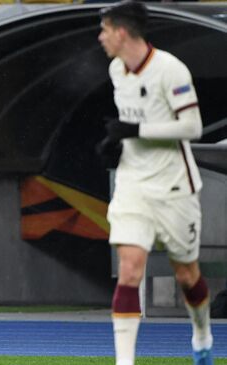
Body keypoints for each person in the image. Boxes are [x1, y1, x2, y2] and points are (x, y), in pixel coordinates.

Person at [97, 2, 213, 365]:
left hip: (174, 186)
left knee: (186, 274)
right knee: (130, 268)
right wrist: (114, 145)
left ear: (121, 31)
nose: (100, 38)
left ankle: (201, 334)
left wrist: (137, 131)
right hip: (133, 184)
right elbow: (129, 124)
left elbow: (192, 128)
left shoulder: (170, 70)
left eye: (104, 29)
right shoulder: (117, 70)